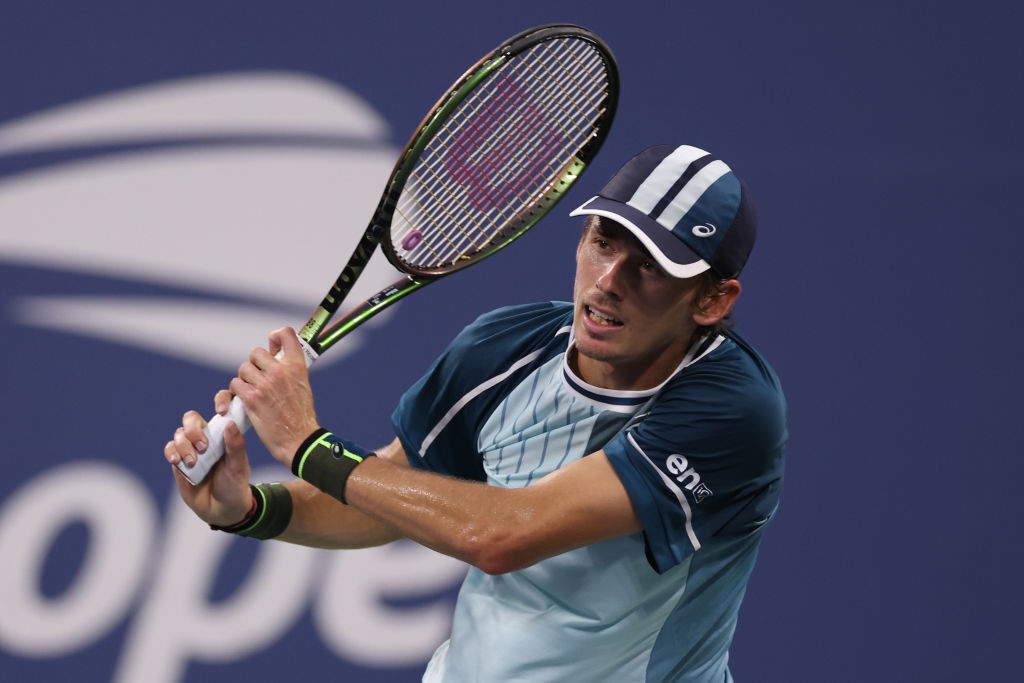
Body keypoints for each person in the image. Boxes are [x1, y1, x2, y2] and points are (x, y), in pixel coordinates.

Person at [165, 144, 788, 682]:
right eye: (603, 241)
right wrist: (251, 508)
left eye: (649, 266)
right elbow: (389, 502)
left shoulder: (733, 408)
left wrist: (307, 443)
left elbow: (503, 536)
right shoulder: (502, 350)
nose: (608, 281)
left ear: (713, 299)